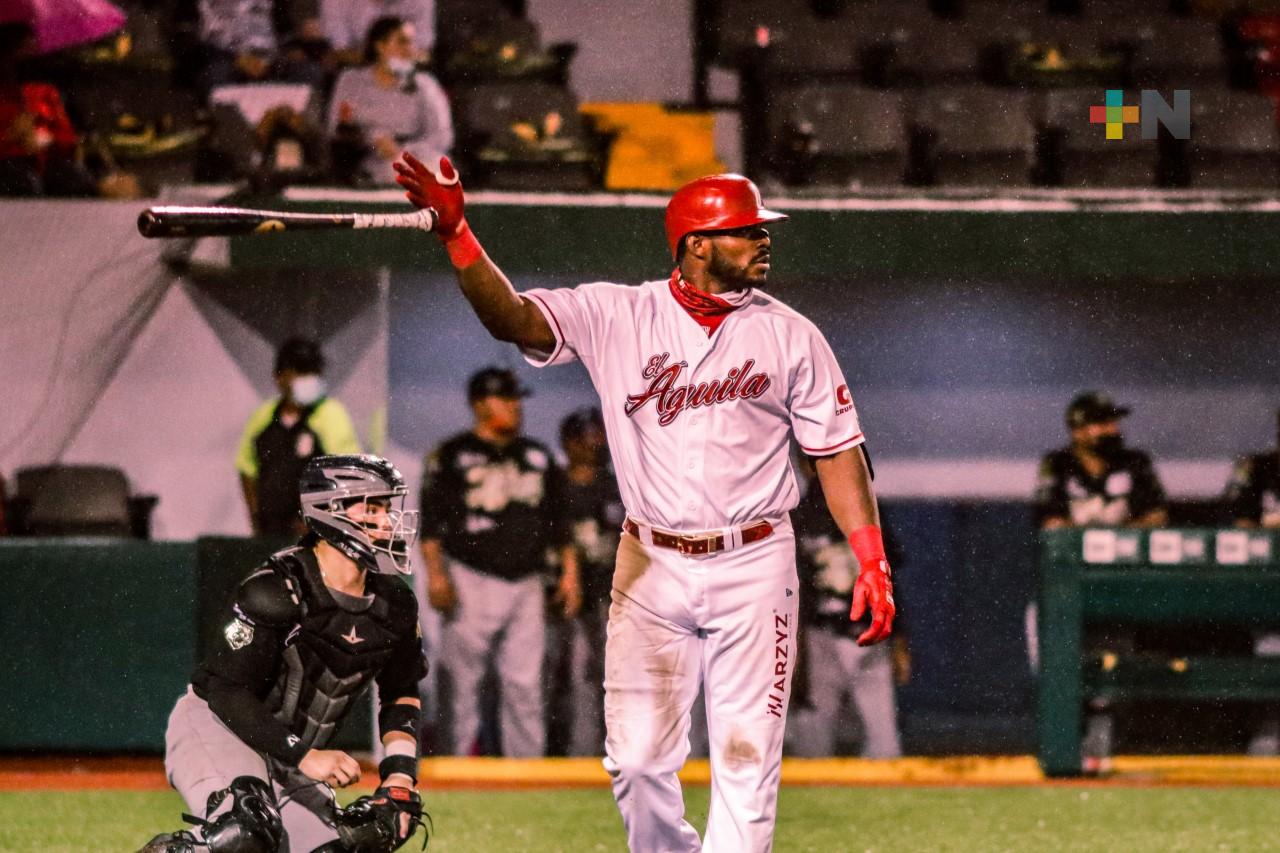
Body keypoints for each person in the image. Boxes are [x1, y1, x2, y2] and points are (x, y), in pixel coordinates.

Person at [393, 154, 895, 851]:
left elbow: (837, 450)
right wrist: (458, 235)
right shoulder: (618, 313)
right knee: (635, 761)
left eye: (760, 228)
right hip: (651, 561)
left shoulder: (792, 334)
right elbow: (512, 318)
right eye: (745, 230)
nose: (763, 239)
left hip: (756, 561)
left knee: (748, 763)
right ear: (695, 245)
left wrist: (868, 557)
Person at [140, 454, 429, 853]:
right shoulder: (278, 588)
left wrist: (399, 777)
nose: (386, 521)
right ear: (329, 511)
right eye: (372, 508)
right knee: (245, 835)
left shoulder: (394, 603)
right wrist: (306, 755)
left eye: (387, 508)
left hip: (290, 753)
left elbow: (401, 692)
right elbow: (225, 691)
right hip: (222, 726)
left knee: (356, 842)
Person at [419, 366, 580, 757]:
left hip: (527, 581)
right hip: (469, 577)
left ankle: (526, 777)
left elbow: (562, 526)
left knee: (525, 685)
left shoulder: (537, 456)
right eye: (505, 398)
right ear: (480, 403)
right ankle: (455, 767)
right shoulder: (452, 455)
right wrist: (437, 577)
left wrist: (570, 576)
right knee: (460, 683)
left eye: (516, 399)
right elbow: (431, 528)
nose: (514, 406)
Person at [1034, 390, 1168, 774]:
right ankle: (1061, 759)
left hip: (1117, 588)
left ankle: (1100, 759)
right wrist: (1115, 536)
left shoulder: (1134, 463)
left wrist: (1101, 540)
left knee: (1110, 679)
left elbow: (1157, 517)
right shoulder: (1058, 465)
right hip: (1064, 591)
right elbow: (1052, 523)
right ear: (1078, 429)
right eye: (1102, 422)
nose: (1112, 429)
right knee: (1060, 675)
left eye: (1114, 421)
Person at [787, 453, 908, 759]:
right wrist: (795, 651)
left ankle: (887, 804)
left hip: (869, 630)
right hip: (820, 636)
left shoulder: (868, 508)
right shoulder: (798, 515)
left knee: (884, 743)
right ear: (804, 466)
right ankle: (813, 806)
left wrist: (901, 639)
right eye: (815, 460)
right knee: (812, 741)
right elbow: (791, 591)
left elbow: (889, 575)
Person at [543, 406, 624, 756]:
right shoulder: (553, 483)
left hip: (607, 596)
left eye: (599, 436)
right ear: (568, 441)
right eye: (587, 437)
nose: (595, 444)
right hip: (557, 595)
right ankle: (563, 756)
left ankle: (597, 755)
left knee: (600, 679)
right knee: (555, 677)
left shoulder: (616, 483)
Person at [236, 337, 362, 537]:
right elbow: (247, 469)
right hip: (271, 535)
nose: (309, 379)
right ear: (280, 377)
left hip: (315, 536)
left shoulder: (331, 414)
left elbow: (348, 474)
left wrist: (320, 518)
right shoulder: (263, 417)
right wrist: (256, 519)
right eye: (301, 372)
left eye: (314, 372)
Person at [327, 17, 451, 186]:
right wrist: (373, 140)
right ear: (380, 46)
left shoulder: (425, 84)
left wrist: (405, 151)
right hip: (366, 162)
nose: (410, 50)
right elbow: (336, 128)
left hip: (416, 158)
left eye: (412, 43)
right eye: (402, 42)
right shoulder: (351, 81)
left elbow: (442, 135)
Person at [1225, 408, 1280, 755]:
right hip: (1268, 583)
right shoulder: (1258, 467)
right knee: (1271, 652)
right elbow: (1235, 524)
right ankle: (1269, 734)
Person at [321, 0, 435, 67]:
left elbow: (424, 52)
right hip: (353, 69)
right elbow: (339, 50)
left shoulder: (422, 1)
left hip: (407, 71)